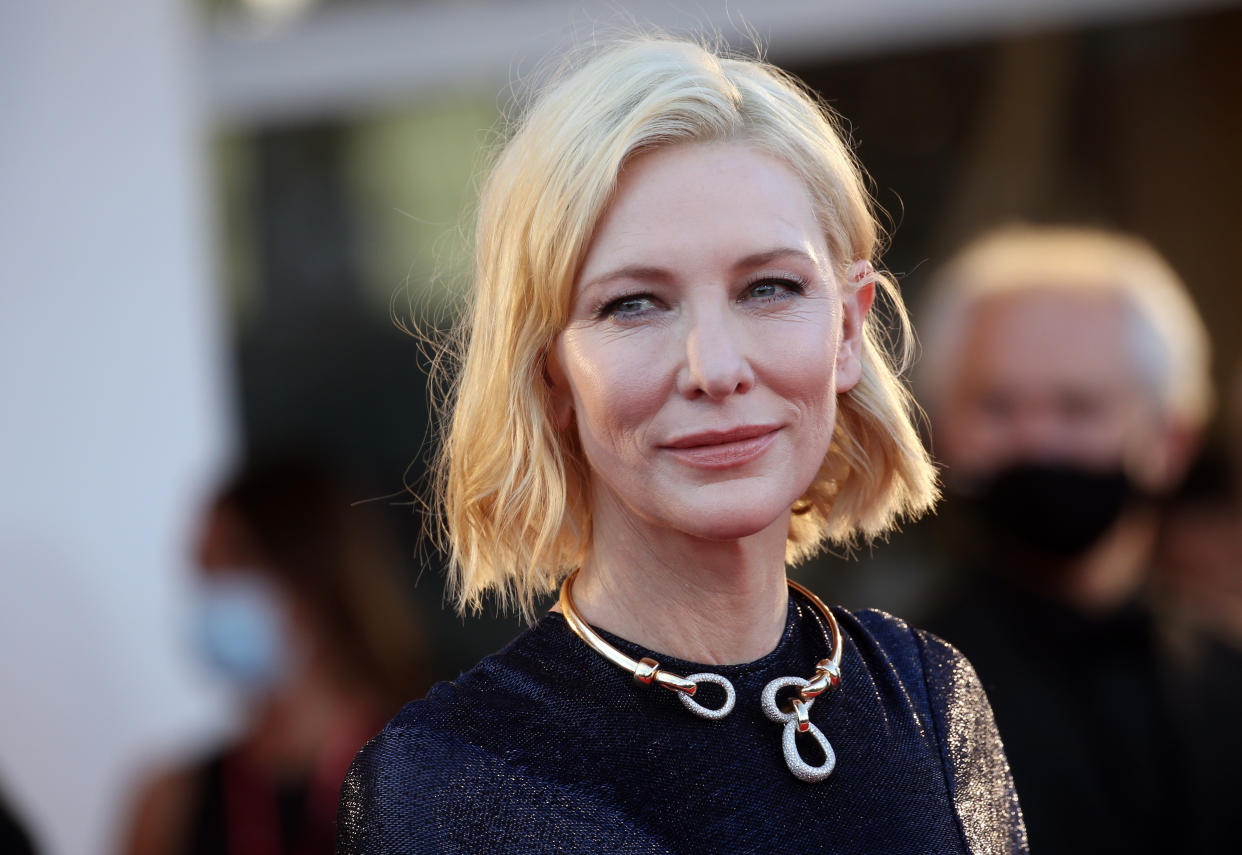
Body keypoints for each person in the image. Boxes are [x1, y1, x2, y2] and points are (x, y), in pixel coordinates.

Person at [337, 37, 1027, 854]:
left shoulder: (930, 698)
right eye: (634, 304)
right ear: (548, 372)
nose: (716, 367)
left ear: (848, 326)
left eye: (769, 288)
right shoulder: (449, 783)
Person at [915, 225, 1242, 854]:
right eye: (997, 406)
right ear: (940, 433)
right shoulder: (891, 703)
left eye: (1078, 408)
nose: (1037, 443)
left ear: (1171, 440)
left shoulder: (1229, 689)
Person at [123, 459, 429, 855]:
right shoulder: (171, 803)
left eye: (233, 567)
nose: (212, 600)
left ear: (311, 576)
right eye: (204, 574)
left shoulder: (430, 775)